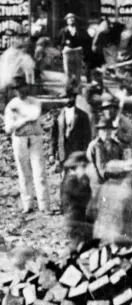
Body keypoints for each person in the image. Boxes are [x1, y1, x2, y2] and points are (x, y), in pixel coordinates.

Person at [4, 75, 49, 214]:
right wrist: (24, 120)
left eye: (23, 87)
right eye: (17, 89)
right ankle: (27, 204)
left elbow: (35, 116)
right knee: (23, 172)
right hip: (19, 139)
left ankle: (44, 205)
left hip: (34, 137)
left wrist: (20, 117)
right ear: (14, 91)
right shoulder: (11, 105)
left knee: (39, 171)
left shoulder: (35, 102)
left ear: (27, 87)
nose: (21, 91)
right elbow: (8, 128)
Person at [89, 160, 132, 246]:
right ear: (123, 174)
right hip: (119, 239)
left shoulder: (102, 188)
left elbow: (90, 211)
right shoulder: (126, 192)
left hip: (99, 236)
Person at [51, 87, 92, 172]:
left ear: (74, 98)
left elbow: (87, 136)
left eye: (70, 97)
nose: (68, 100)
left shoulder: (82, 115)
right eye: (66, 98)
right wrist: (52, 152)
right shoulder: (58, 116)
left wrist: (85, 152)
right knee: (65, 179)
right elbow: (54, 136)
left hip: (77, 152)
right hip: (63, 153)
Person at [60, 152, 93, 249]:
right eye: (84, 166)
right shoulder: (71, 180)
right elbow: (82, 195)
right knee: (76, 245)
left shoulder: (81, 178)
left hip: (82, 216)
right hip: (74, 218)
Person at [86, 118, 124, 191]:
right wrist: (98, 181)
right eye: (104, 130)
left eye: (109, 130)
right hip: (98, 183)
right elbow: (90, 164)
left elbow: (121, 164)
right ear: (99, 132)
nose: (106, 132)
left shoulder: (117, 146)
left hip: (114, 183)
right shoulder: (94, 146)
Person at [58, 13, 90, 87]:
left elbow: (86, 40)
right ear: (66, 21)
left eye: (73, 19)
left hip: (77, 51)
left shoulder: (81, 31)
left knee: (78, 71)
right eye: (69, 19)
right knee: (68, 71)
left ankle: (77, 88)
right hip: (67, 52)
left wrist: (83, 49)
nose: (72, 20)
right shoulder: (63, 31)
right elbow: (58, 42)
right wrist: (62, 51)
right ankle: (68, 89)